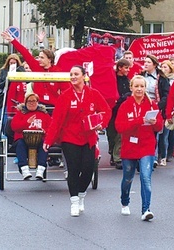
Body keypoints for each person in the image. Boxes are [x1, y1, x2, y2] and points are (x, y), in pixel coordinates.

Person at [43, 65, 112, 217]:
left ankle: (81, 195)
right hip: (70, 138)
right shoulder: (65, 96)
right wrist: (48, 140)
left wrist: (102, 123)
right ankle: (74, 200)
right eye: (71, 74)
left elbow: (106, 111)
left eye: (76, 74)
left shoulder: (93, 93)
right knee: (73, 170)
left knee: (88, 169)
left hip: (89, 138)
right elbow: (57, 120)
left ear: (84, 76)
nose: (73, 76)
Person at [115, 75, 163, 221]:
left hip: (147, 146)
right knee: (127, 178)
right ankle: (125, 201)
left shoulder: (152, 104)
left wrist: (154, 123)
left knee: (146, 177)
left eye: (142, 86)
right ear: (131, 88)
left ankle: (146, 209)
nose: (139, 89)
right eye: (136, 86)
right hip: (129, 147)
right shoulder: (125, 105)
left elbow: (160, 126)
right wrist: (138, 121)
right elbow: (119, 127)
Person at [1, 31, 69, 109]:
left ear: (49, 59)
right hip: (38, 105)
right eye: (39, 57)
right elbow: (25, 53)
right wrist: (13, 40)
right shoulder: (36, 66)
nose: (39, 59)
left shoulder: (58, 71)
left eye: (42, 58)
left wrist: (63, 105)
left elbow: (66, 91)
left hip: (54, 106)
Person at [10, 93, 51, 180]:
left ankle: (40, 169)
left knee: (44, 145)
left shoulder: (44, 114)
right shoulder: (20, 113)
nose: (32, 103)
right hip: (23, 139)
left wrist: (45, 131)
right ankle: (24, 169)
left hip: (40, 139)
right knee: (20, 144)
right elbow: (14, 127)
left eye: (34, 101)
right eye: (29, 101)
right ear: (25, 102)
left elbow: (51, 127)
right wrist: (26, 123)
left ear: (37, 102)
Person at [142, 54, 170, 167]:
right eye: (145, 62)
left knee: (153, 133)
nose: (145, 64)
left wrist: (158, 106)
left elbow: (166, 95)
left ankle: (152, 156)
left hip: (155, 107)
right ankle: (141, 155)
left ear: (154, 64)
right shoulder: (140, 76)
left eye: (148, 62)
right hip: (141, 106)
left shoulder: (162, 78)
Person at [107, 59, 131, 169]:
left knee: (120, 134)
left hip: (123, 110)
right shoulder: (113, 79)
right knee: (111, 133)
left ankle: (117, 157)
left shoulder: (127, 80)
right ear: (120, 67)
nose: (128, 70)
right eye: (126, 68)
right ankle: (112, 151)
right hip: (112, 109)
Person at [160, 60, 174, 162]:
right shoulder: (160, 79)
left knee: (169, 133)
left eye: (165, 67)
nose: (163, 69)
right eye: (162, 67)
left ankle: (167, 153)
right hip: (163, 109)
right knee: (162, 134)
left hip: (173, 109)